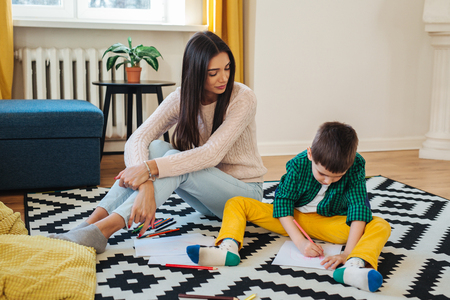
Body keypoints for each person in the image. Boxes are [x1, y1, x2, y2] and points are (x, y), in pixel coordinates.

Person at [48, 31, 267, 254]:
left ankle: (103, 231)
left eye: (227, 68)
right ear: (197, 72)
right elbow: (138, 138)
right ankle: (89, 224)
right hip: (207, 199)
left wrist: (149, 170)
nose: (224, 78)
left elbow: (211, 154)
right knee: (154, 148)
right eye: (213, 72)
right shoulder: (182, 98)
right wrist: (145, 186)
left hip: (244, 197)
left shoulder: (242, 98)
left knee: (171, 160)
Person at [186, 122, 391, 293]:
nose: (328, 181)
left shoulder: (356, 164)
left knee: (380, 224)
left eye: (337, 177)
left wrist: (347, 253)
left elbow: (358, 207)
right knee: (236, 203)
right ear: (310, 154)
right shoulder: (298, 164)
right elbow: (283, 203)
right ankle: (228, 248)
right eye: (322, 174)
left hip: (330, 223)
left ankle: (354, 265)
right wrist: (300, 243)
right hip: (290, 219)